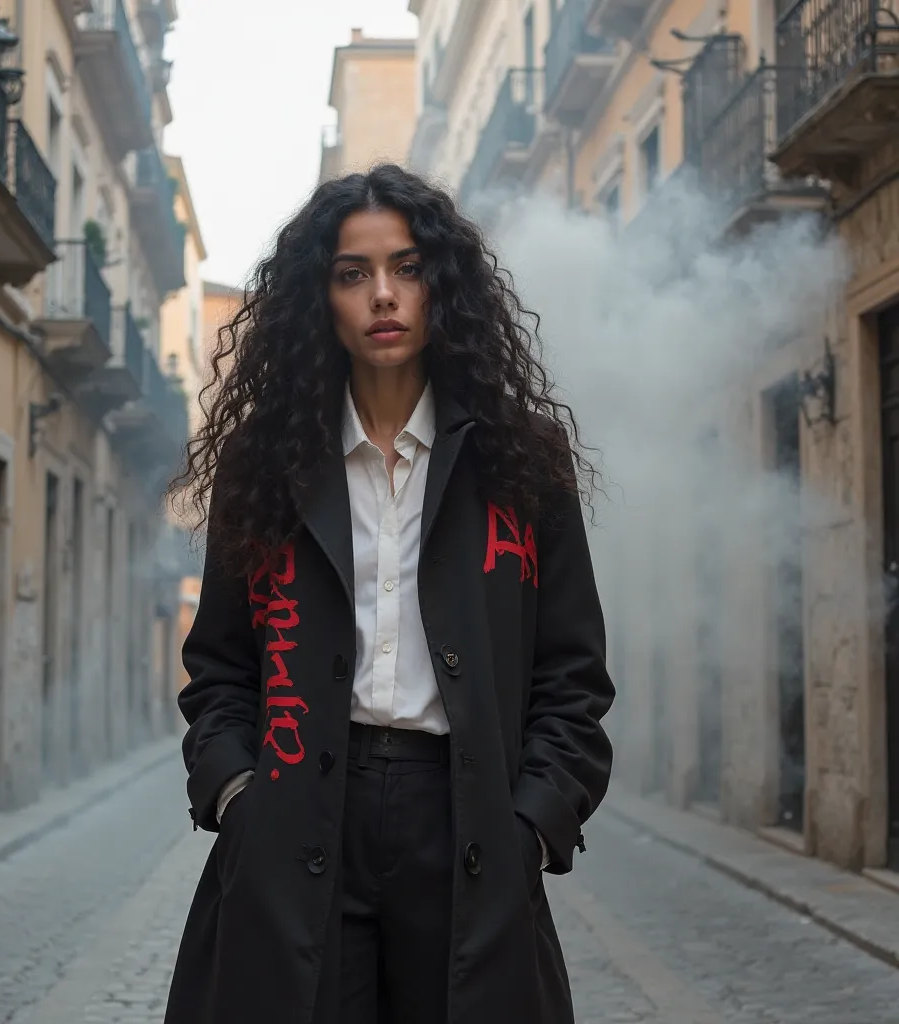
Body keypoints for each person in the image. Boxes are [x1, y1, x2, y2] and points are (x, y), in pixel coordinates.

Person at [164, 163, 615, 1024]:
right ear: (318, 298)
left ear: (443, 288)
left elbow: (574, 678)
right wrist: (238, 797)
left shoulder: (522, 463)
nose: (383, 295)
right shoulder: (267, 465)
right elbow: (219, 667)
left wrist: (531, 826)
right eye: (352, 273)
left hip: (467, 822)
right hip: (296, 813)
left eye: (408, 269)